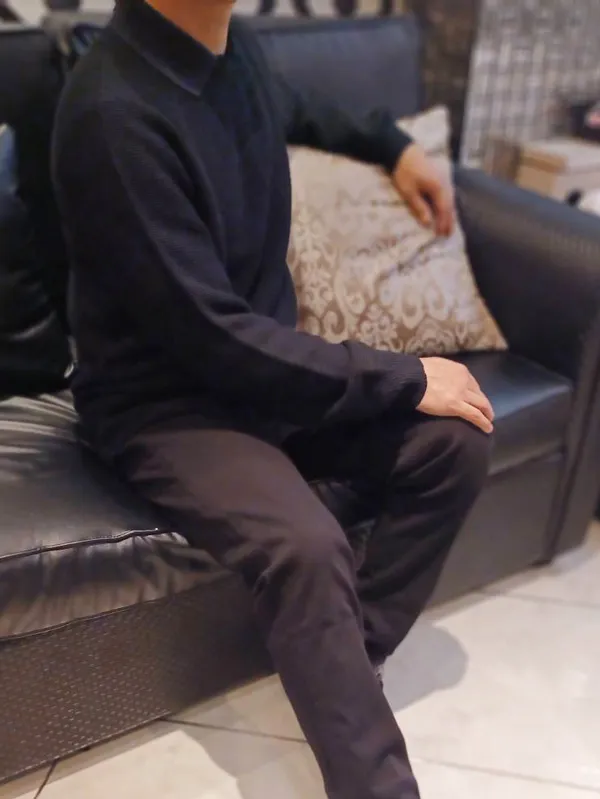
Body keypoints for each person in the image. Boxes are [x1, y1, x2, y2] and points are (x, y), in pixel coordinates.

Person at [52, 1, 494, 797]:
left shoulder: (233, 53)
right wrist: (402, 373)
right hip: (168, 406)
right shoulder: (110, 113)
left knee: (454, 439)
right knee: (306, 546)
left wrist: (393, 146)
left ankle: (348, 664)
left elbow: (301, 109)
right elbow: (211, 338)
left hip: (265, 380)